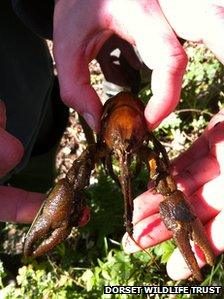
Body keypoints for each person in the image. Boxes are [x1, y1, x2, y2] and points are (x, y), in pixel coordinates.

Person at [1, 0, 224, 280]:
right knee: (72, 180)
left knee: (167, 186)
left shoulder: (146, 146)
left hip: (41, 87)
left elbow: (162, 169)